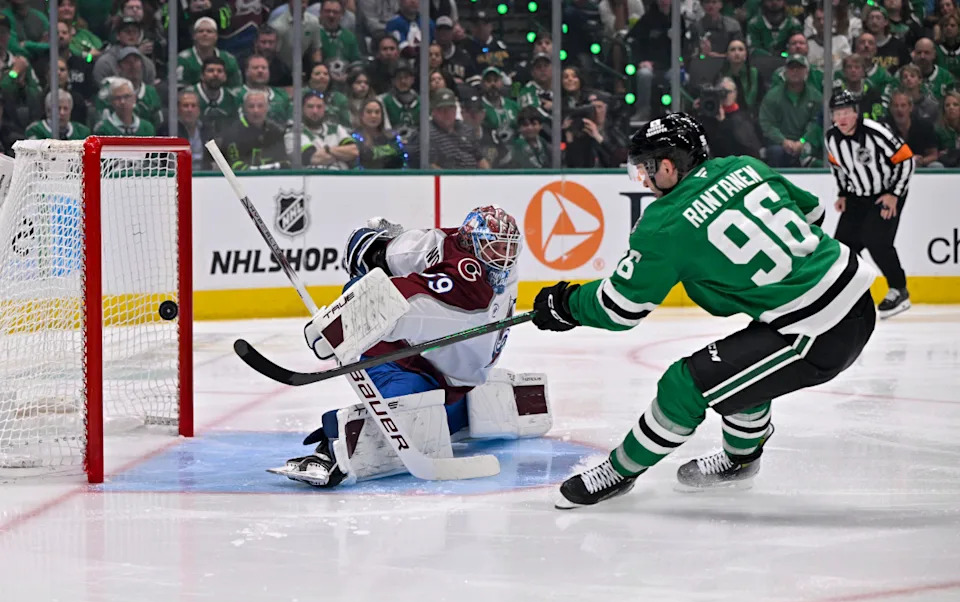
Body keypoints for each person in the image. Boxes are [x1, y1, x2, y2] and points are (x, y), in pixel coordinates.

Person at [530, 112, 878, 508]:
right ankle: (740, 462)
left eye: (646, 170)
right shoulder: (745, 166)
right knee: (740, 376)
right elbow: (812, 214)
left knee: (685, 384)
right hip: (854, 298)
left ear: (667, 165)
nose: (644, 181)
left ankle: (619, 471)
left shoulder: (665, 222)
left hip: (817, 332)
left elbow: (620, 307)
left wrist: (565, 305)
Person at [273, 208, 552, 487]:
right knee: (407, 410)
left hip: (452, 375)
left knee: (441, 414)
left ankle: (449, 409)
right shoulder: (462, 278)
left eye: (508, 248)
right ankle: (330, 450)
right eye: (494, 249)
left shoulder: (458, 253)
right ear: (471, 245)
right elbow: (408, 297)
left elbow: (400, 261)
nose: (503, 258)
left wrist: (377, 256)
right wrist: (345, 319)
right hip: (401, 362)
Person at [826, 90, 915, 320]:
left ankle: (899, 290)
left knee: (877, 241)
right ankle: (852, 296)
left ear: (856, 113)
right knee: (843, 248)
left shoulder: (876, 131)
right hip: (857, 196)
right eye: (837, 113)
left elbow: (905, 158)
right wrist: (843, 194)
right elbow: (838, 167)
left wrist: (894, 194)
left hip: (885, 193)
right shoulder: (832, 138)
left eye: (846, 112)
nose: (842, 117)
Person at [217, 89, 289, 169]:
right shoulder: (233, 133)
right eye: (251, 106)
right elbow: (234, 165)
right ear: (244, 109)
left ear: (267, 108)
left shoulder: (276, 131)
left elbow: (284, 162)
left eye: (260, 106)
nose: (256, 110)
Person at [285, 90, 358, 169]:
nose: (315, 111)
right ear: (302, 109)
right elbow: (314, 158)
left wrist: (328, 149)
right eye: (310, 106)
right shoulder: (293, 133)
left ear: (324, 109)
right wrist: (341, 154)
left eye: (319, 107)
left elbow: (354, 151)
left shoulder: (336, 128)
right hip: (312, 178)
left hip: (343, 178)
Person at [351, 97, 408, 169]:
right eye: (369, 112)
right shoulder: (354, 138)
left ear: (382, 116)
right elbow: (354, 166)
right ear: (361, 115)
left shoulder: (392, 137)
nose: (373, 116)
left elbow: (403, 162)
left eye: (377, 112)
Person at [25, 89, 90, 140]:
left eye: (65, 108)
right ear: (48, 110)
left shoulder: (82, 132)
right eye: (58, 108)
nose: (62, 113)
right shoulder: (36, 130)